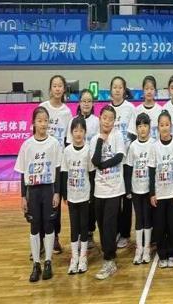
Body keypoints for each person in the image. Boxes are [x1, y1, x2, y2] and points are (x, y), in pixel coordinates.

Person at [15, 106, 61, 282]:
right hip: (33, 191)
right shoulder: (27, 145)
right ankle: (36, 263)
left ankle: (48, 261)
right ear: (33, 123)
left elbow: (57, 170)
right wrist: (23, 197)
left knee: (49, 225)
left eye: (45, 121)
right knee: (34, 227)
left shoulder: (54, 143)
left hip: (48, 190)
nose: (43, 124)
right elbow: (22, 172)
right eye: (39, 121)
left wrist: (57, 193)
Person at [90, 105, 126, 280]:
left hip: (114, 189)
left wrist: (103, 165)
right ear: (100, 118)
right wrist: (100, 140)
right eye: (105, 118)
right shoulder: (94, 139)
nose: (107, 121)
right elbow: (95, 160)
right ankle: (108, 254)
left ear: (114, 121)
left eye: (110, 119)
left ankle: (109, 260)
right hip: (99, 190)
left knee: (110, 225)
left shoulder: (118, 135)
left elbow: (119, 157)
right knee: (102, 226)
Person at [40, 74, 72, 254]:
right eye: (55, 85)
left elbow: (67, 140)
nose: (58, 88)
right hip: (42, 163)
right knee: (40, 201)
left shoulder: (67, 112)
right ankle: (40, 239)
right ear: (50, 88)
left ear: (64, 89)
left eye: (60, 86)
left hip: (58, 163)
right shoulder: (42, 108)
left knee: (55, 202)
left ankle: (54, 237)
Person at [149, 110, 173, 269]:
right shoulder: (154, 147)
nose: (164, 127)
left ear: (171, 126)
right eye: (161, 125)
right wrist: (152, 193)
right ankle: (162, 254)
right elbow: (151, 171)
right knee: (160, 227)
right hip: (160, 194)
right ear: (158, 127)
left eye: (167, 124)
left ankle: (172, 254)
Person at [66, 88, 99, 249]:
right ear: (79, 103)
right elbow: (68, 143)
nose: (86, 103)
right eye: (83, 101)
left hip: (92, 165)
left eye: (89, 101)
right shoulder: (73, 120)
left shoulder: (96, 121)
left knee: (90, 203)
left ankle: (89, 233)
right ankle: (78, 235)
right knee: (76, 207)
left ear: (93, 104)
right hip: (76, 166)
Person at [61, 116, 92, 274]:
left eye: (81, 130)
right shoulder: (67, 151)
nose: (78, 133)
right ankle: (74, 257)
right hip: (72, 196)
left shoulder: (88, 150)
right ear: (71, 133)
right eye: (75, 130)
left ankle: (83, 256)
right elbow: (64, 173)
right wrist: (64, 194)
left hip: (85, 195)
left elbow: (91, 173)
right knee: (74, 227)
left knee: (84, 226)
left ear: (85, 132)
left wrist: (91, 194)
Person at [109, 76, 135, 250]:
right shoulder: (107, 110)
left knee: (126, 199)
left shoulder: (130, 109)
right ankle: (115, 231)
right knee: (113, 200)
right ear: (111, 90)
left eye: (120, 87)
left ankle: (125, 233)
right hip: (111, 163)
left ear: (124, 90)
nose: (117, 90)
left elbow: (132, 135)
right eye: (114, 87)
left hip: (126, 162)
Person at [125, 113, 154, 265]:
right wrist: (128, 189)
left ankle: (147, 248)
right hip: (136, 189)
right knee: (139, 218)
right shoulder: (133, 146)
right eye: (140, 126)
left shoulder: (154, 144)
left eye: (145, 125)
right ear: (136, 129)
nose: (142, 129)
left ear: (149, 127)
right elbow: (129, 168)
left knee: (148, 218)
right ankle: (139, 248)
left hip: (149, 189)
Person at [127, 76, 162, 142]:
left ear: (155, 91)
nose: (149, 92)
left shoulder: (160, 110)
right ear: (143, 90)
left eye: (152, 89)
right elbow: (132, 133)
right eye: (146, 89)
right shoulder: (136, 110)